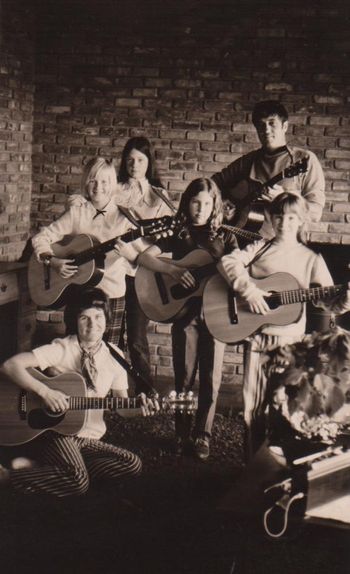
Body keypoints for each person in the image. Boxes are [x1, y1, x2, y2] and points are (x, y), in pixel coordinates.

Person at [217, 192, 350, 460]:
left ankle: (278, 467)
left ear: (301, 221)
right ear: (270, 217)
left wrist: (345, 297)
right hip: (257, 338)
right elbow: (227, 262)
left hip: (290, 344)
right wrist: (250, 292)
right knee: (251, 407)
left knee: (284, 406)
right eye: (278, 216)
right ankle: (251, 467)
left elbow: (329, 304)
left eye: (291, 217)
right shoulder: (261, 247)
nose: (284, 222)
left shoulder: (311, 258)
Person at [0, 288, 158, 497]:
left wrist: (140, 409)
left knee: (132, 463)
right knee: (78, 482)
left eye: (98, 317)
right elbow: (10, 366)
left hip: (89, 438)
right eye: (85, 318)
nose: (92, 325)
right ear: (75, 321)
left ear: (107, 319)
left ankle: (42, 469)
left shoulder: (115, 355)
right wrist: (45, 392)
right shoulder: (62, 348)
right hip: (55, 434)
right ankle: (7, 476)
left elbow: (122, 407)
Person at [138, 178, 238, 460]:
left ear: (215, 205)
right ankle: (181, 434)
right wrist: (171, 271)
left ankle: (203, 436)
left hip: (216, 316)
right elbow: (145, 257)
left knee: (211, 379)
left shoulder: (227, 237)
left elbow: (238, 274)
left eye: (207, 203)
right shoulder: (177, 232)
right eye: (196, 202)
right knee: (183, 378)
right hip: (185, 315)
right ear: (187, 202)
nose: (200, 209)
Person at [32, 157, 146, 347]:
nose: (98, 187)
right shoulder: (77, 213)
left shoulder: (125, 219)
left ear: (112, 184)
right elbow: (40, 238)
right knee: (75, 351)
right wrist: (53, 261)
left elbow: (139, 261)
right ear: (86, 182)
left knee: (108, 354)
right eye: (93, 180)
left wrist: (129, 255)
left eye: (104, 181)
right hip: (77, 292)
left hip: (111, 295)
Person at [212, 100, 325, 239]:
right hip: (245, 243)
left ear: (285, 126)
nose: (266, 130)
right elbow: (211, 184)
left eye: (272, 123)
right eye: (261, 125)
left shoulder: (304, 160)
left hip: (286, 247)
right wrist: (221, 202)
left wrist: (283, 199)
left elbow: (315, 213)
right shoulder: (249, 160)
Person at [116, 137, 175, 393]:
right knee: (112, 333)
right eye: (129, 159)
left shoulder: (160, 196)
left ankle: (145, 392)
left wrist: (152, 247)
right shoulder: (113, 189)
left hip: (143, 273)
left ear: (149, 162)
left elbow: (171, 238)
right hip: (115, 270)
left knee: (137, 337)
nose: (134, 164)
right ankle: (111, 391)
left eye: (140, 159)